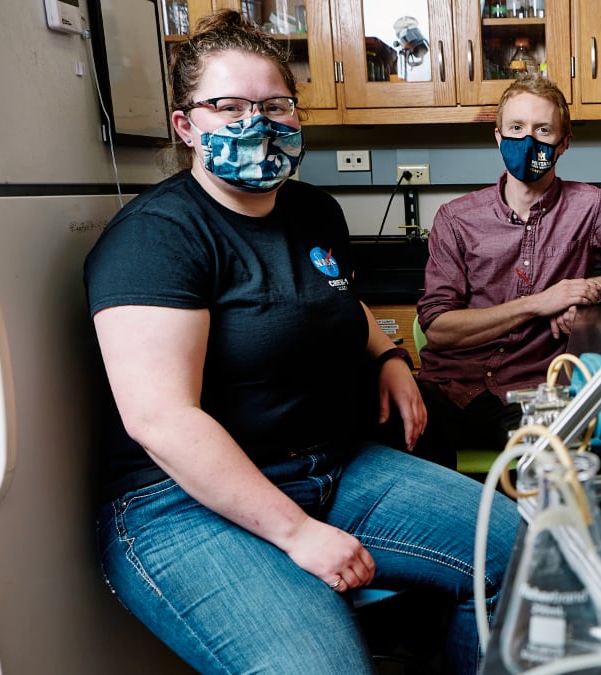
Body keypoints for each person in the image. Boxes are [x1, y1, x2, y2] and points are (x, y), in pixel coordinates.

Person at [83, 11, 519, 674]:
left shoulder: (315, 211)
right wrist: (297, 534)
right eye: (229, 106)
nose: (258, 123)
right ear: (185, 126)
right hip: (180, 500)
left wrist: (390, 357)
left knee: (524, 553)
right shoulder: (156, 237)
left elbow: (337, 298)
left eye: (275, 105)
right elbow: (160, 419)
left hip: (332, 467)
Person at [412, 74, 601, 466]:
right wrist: (540, 303)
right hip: (448, 387)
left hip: (531, 390)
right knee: (401, 461)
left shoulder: (591, 207)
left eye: (543, 130)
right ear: (499, 138)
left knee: (560, 470)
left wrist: (587, 291)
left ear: (564, 143)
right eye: (516, 128)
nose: (528, 141)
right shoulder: (456, 218)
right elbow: (439, 330)